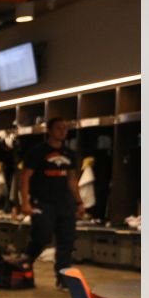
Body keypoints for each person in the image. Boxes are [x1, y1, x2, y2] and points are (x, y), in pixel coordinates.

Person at [20, 117, 85, 288]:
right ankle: (27, 260)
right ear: (49, 130)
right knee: (42, 235)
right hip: (42, 202)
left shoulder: (69, 154)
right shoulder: (37, 152)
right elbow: (25, 177)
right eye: (58, 128)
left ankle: (63, 279)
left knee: (67, 241)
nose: (62, 131)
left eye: (65, 128)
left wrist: (79, 202)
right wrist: (25, 202)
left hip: (65, 203)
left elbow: (72, 180)